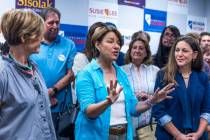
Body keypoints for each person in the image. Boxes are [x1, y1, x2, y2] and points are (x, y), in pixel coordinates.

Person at [75, 26, 174, 140]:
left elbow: (133, 108)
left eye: (118, 43)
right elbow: (89, 112)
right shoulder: (86, 73)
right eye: (110, 42)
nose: (116, 46)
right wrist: (108, 102)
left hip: (124, 135)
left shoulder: (121, 73)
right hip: (96, 135)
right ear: (98, 45)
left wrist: (152, 101)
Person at [0, 9, 56, 139]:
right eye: (38, 34)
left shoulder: (34, 68)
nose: (42, 39)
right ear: (23, 37)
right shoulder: (3, 73)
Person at [30, 7, 76, 139]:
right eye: (50, 22)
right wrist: (45, 94)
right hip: (37, 104)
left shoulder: (69, 44)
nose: (55, 26)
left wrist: (53, 91)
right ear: (42, 23)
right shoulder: (33, 43)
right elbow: (27, 73)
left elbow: (70, 75)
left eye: (57, 22)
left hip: (62, 108)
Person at [152, 36, 210, 140]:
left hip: (198, 137)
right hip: (169, 136)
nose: (179, 54)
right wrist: (178, 135)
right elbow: (158, 110)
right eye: (177, 50)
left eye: (184, 51)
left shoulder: (203, 77)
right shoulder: (163, 75)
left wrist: (198, 134)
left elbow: (206, 109)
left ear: (195, 55)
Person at [122, 37, 159, 140]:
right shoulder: (121, 71)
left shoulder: (155, 70)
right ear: (130, 51)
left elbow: (161, 96)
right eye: (134, 48)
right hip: (129, 124)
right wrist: (133, 96)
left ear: (146, 53)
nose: (137, 50)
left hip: (150, 125)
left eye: (141, 48)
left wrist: (149, 96)